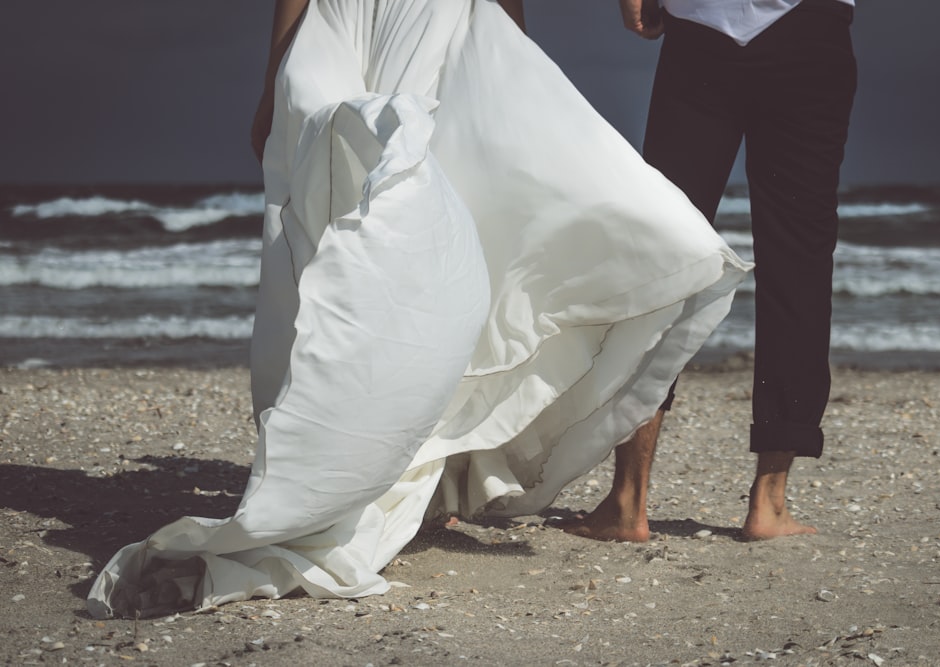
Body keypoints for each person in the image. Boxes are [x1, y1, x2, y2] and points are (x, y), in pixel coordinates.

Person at [86, 0, 751, 619]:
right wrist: (511, 53)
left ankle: (399, 469)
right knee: (400, 205)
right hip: (402, 19)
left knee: (375, 209)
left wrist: (276, 76)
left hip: (397, 21)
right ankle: (392, 470)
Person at [561, 0, 856, 542]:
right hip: (798, 30)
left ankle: (629, 500)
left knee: (666, 251)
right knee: (796, 263)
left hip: (707, 27)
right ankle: (768, 505)